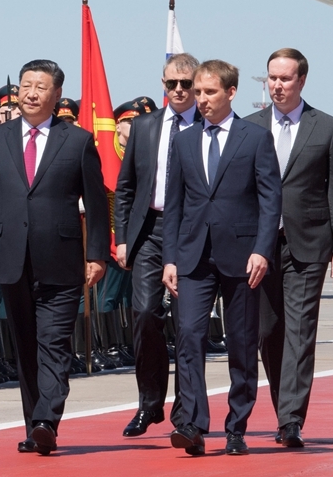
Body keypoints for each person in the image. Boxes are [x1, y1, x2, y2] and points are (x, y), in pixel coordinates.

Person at [0, 59, 110, 456]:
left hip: (61, 259)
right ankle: (35, 427)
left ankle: (47, 419)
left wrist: (97, 254)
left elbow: (97, 203)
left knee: (54, 343)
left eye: (40, 87)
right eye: (26, 85)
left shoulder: (77, 140)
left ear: (56, 94)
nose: (31, 93)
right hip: (12, 257)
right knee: (26, 345)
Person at [162, 59, 281, 457]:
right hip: (193, 256)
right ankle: (193, 424)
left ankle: (236, 427)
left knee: (242, 344)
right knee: (188, 336)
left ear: (230, 92)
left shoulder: (255, 138)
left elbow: (270, 200)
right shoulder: (183, 141)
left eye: (209, 92)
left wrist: (262, 250)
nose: (201, 99)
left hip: (243, 257)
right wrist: (170, 258)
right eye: (198, 92)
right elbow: (175, 205)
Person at [244, 48, 333, 448]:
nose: (277, 85)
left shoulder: (326, 127)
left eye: (285, 79)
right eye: (272, 78)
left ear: (301, 81)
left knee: (301, 331)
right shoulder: (249, 127)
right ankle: (283, 408)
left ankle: (291, 420)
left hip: (309, 244)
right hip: (261, 246)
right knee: (268, 332)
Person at [114, 53, 200, 437]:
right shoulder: (145, 126)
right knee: (146, 314)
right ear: (163, 84)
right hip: (150, 229)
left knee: (188, 325)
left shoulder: (208, 126)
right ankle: (149, 404)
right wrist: (121, 238)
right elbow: (126, 187)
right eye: (171, 84)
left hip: (193, 233)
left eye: (186, 84)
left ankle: (186, 413)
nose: (178, 91)